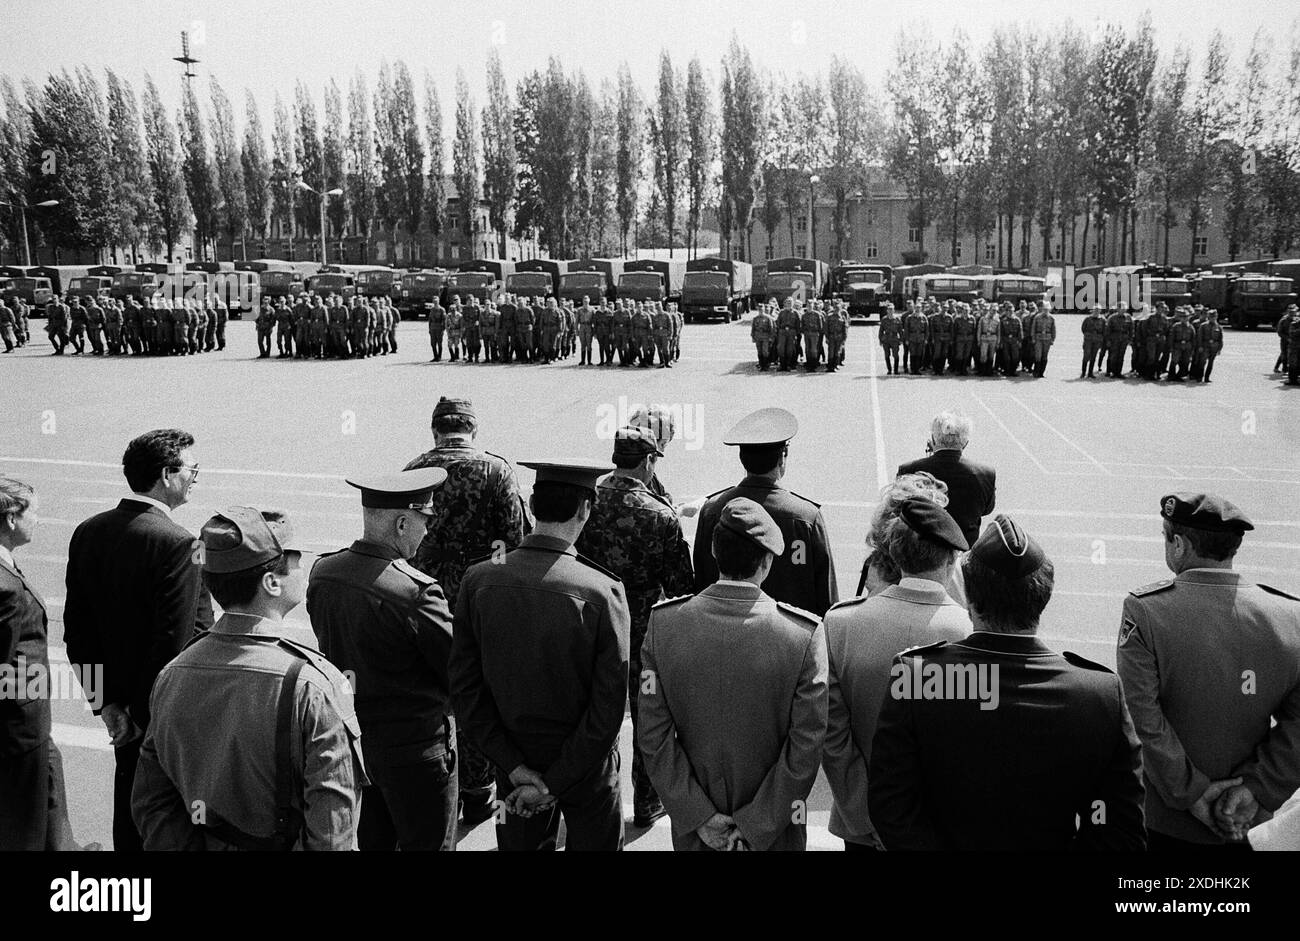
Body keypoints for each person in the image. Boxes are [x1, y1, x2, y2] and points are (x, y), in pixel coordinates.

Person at [869, 515, 1147, 850]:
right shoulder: (1100, 694)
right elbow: (1120, 831)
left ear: (969, 597)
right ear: (1043, 599)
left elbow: (891, 807)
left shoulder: (921, 676)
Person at [132, 507, 365, 850]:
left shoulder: (173, 673)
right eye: (296, 561)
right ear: (271, 583)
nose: (303, 569)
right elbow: (332, 833)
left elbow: (153, 800)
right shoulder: (314, 685)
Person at [450, 461, 630, 851]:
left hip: (512, 765)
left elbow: (465, 691)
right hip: (587, 772)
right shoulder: (603, 591)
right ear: (586, 509)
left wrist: (515, 768)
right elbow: (609, 708)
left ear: (531, 504)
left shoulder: (479, 579)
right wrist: (555, 781)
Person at [639, 498, 827, 851]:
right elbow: (806, 746)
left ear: (713, 550)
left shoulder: (663, 625)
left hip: (695, 836)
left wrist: (699, 817)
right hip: (774, 838)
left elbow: (653, 738)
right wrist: (756, 825)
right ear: (767, 562)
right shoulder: (803, 635)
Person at [1117, 493, 1300, 850]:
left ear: (1180, 545)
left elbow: (1141, 717)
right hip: (1248, 825)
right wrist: (1257, 788)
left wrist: (1192, 794)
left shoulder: (1146, 611)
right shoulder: (1290, 618)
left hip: (1163, 822)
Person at [63, 429, 214, 851]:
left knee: (130, 814)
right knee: (175, 823)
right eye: (192, 469)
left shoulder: (88, 531)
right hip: (169, 715)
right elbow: (174, 641)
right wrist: (144, 715)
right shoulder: (179, 542)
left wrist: (108, 706)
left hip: (124, 716)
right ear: (167, 475)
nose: (196, 477)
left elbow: (77, 630)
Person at [307, 469, 460, 851]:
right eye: (424, 521)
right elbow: (457, 669)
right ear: (402, 522)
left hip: (356, 743)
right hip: (417, 751)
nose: (426, 532)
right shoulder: (416, 592)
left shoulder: (323, 572)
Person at [403, 397, 529, 824]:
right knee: (477, 690)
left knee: (431, 686)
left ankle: (435, 782)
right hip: (480, 593)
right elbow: (513, 539)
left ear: (435, 430)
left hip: (423, 594)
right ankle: (477, 790)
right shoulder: (495, 470)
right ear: (472, 430)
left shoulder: (415, 468)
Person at [823, 500, 971, 851]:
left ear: (893, 553)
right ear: (951, 561)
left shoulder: (841, 624)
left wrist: (869, 814)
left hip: (860, 826)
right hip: (936, 829)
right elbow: (970, 745)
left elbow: (831, 733)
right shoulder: (969, 635)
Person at [575, 427, 694, 827]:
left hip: (588, 625)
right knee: (649, 720)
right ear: (647, 462)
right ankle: (646, 802)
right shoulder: (660, 513)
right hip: (642, 631)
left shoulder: (586, 502)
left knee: (592, 716)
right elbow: (682, 589)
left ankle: (594, 804)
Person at [0, 478, 85, 850]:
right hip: (18, 731)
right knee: (24, 826)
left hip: (28, 727)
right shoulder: (4, 586)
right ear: (12, 519)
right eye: (33, 511)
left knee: (48, 804)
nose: (40, 519)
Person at [693, 408, 837, 616]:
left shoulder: (713, 510)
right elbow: (825, 595)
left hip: (722, 629)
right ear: (782, 456)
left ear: (742, 458)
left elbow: (702, 580)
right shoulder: (805, 517)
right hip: (793, 638)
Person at [896, 412, 996, 550]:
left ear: (933, 439)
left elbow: (898, 510)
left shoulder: (909, 469)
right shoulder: (986, 473)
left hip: (920, 551)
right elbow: (986, 509)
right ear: (965, 443)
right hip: (963, 550)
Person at [878, 303, 903, 375]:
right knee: (887, 355)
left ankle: (896, 370)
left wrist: (901, 339)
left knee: (896, 355)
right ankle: (889, 369)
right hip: (886, 339)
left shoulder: (897, 319)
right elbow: (881, 330)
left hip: (895, 339)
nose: (890, 311)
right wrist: (880, 340)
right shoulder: (884, 319)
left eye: (892, 309)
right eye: (889, 309)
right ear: (887, 311)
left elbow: (900, 330)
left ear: (894, 310)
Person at [750, 303, 775, 370]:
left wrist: (771, 337)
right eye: (759, 309)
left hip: (765, 336)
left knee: (765, 351)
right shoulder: (755, 318)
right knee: (759, 351)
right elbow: (753, 328)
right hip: (758, 336)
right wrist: (753, 337)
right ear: (758, 309)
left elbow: (771, 328)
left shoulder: (768, 318)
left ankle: (766, 365)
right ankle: (761, 365)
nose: (761, 310)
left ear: (764, 309)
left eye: (762, 309)